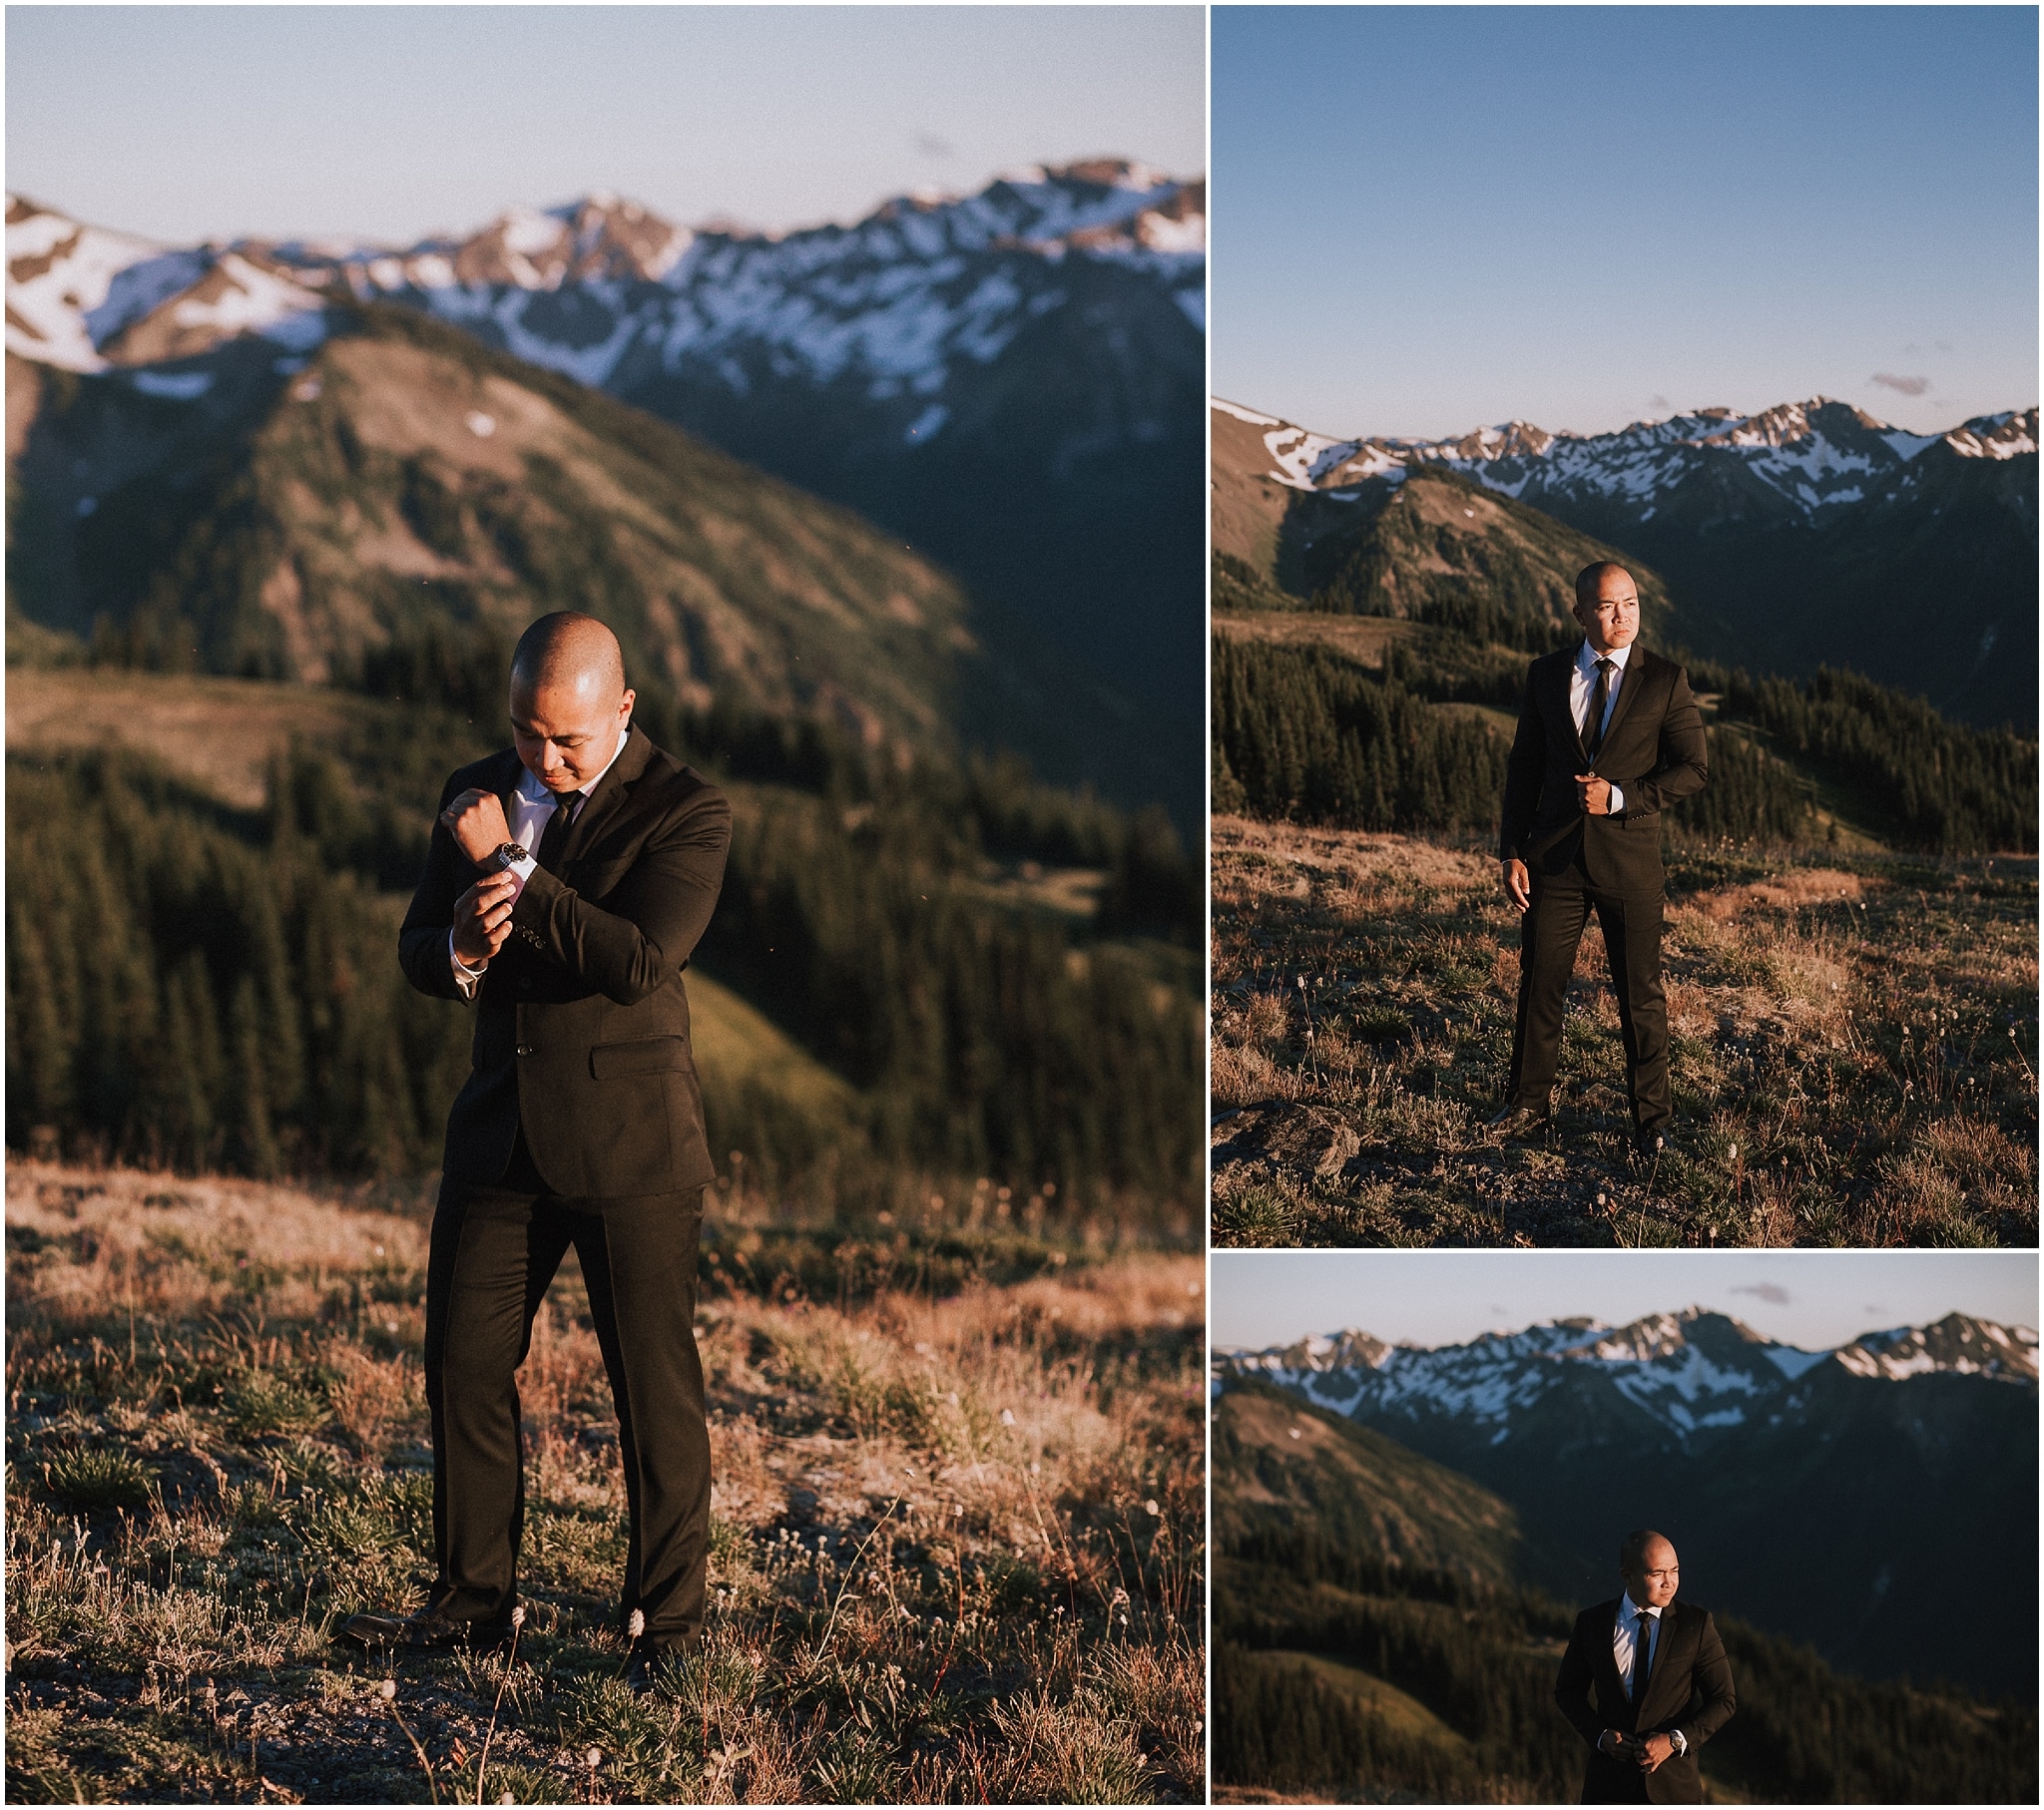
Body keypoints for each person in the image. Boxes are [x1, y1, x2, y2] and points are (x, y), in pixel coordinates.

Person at [341, 612, 732, 1692]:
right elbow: (419, 943)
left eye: (565, 739)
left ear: (622, 709)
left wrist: (508, 862)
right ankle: (472, 1603)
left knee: (650, 1388)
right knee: (462, 1364)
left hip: (632, 1142)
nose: (543, 758)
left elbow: (636, 958)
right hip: (499, 1129)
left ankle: (668, 1625)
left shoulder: (688, 810)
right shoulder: (473, 787)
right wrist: (458, 950)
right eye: (526, 735)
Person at [1491, 562, 1707, 1155]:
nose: (1623, 616)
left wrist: (1619, 798)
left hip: (1630, 866)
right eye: (1609, 607)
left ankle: (1652, 1122)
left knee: (1640, 993)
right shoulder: (1544, 676)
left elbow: (1693, 769)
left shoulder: (1666, 680)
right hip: (1552, 864)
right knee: (1539, 986)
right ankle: (1527, 1104)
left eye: (1631, 603)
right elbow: (1525, 770)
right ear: (1581, 613)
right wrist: (1512, 851)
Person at [1553, 1529, 1737, 1804]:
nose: (1669, 1583)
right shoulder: (1592, 1624)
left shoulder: (1695, 1625)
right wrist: (1600, 1736)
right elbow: (1567, 1691)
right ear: (1627, 1576)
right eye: (1657, 1574)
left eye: (1674, 1571)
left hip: (1674, 1790)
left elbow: (1724, 1700)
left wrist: (1676, 1741)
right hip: (1607, 1789)